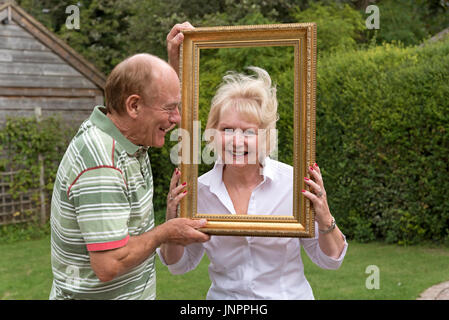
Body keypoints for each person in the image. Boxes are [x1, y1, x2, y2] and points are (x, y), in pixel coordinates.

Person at [49, 23, 210, 300]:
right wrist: (165, 232)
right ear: (133, 106)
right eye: (170, 108)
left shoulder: (128, 139)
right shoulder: (102, 163)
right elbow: (109, 264)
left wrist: (176, 61)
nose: (176, 118)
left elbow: (170, 117)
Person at [158, 66, 348, 299]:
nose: (237, 142)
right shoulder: (198, 191)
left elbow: (331, 260)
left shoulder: (293, 183)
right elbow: (178, 265)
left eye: (248, 132)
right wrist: (171, 222)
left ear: (266, 136)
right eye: (227, 129)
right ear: (213, 133)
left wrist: (325, 217)